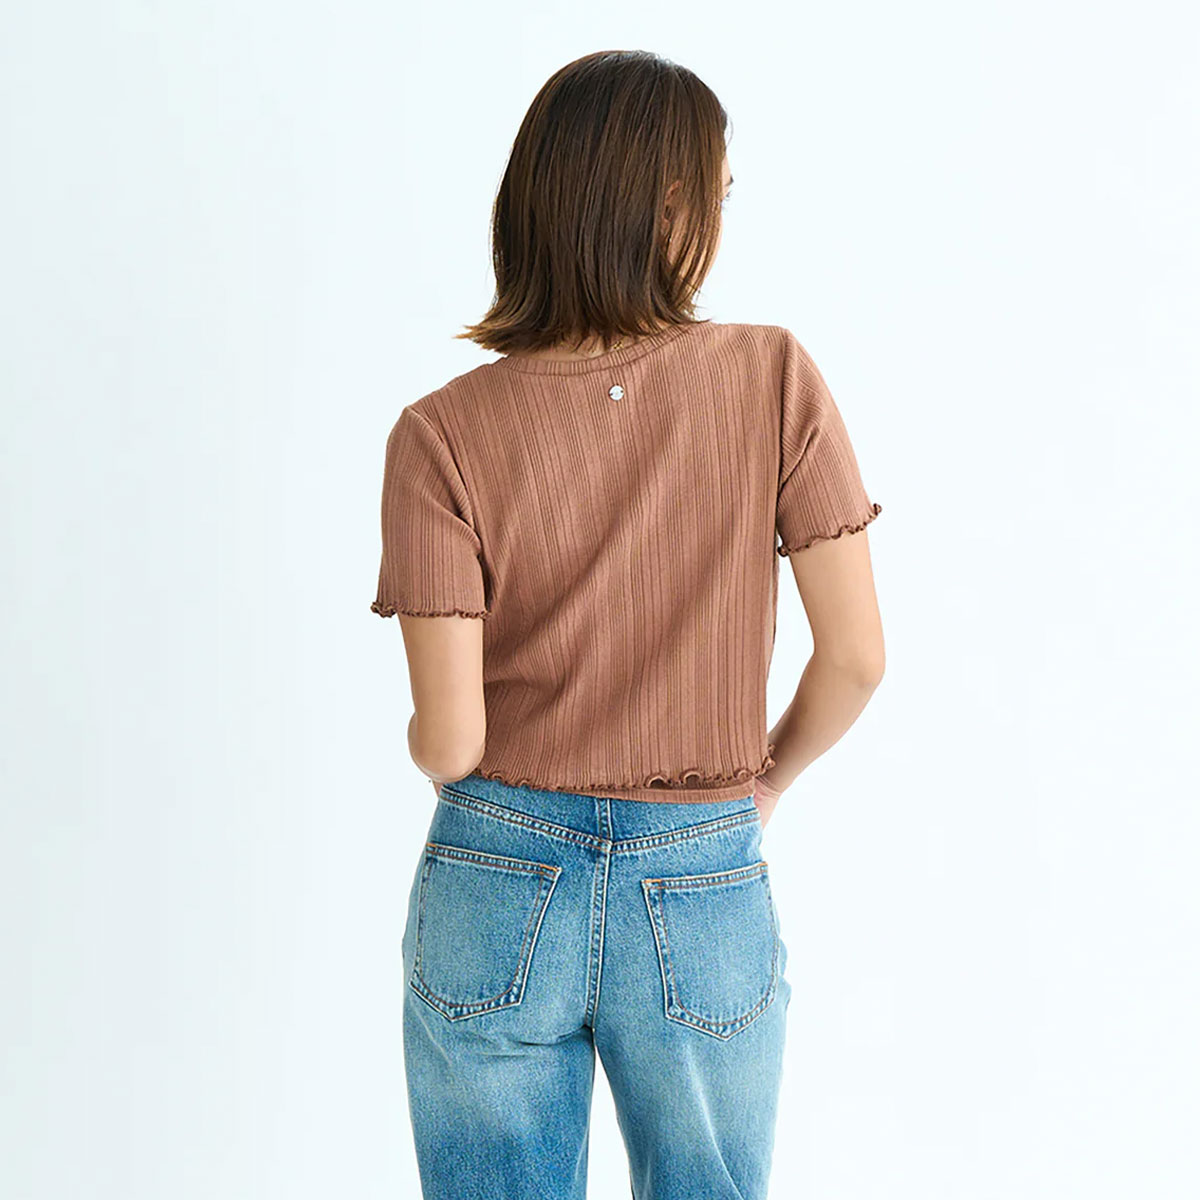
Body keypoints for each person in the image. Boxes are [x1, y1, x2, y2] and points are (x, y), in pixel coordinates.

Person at [369, 48, 884, 1200]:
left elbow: (450, 743)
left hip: (495, 878)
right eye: (719, 195)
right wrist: (766, 783)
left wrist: (448, 756)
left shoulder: (438, 434)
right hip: (699, 873)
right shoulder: (773, 377)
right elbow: (856, 658)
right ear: (671, 206)